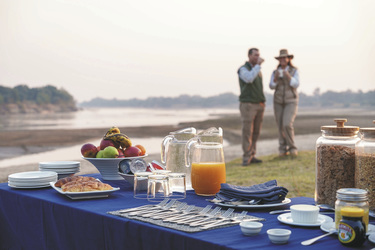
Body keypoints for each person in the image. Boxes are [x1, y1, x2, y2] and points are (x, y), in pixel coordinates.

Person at [237, 48, 266, 166]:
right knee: (247, 131)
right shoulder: (243, 69)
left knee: (256, 132)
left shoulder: (257, 69)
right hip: (248, 104)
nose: (257, 57)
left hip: (259, 104)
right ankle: (246, 157)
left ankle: (252, 154)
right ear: (249, 56)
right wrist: (258, 65)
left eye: (258, 55)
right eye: (255, 55)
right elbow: (249, 79)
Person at [269, 49, 300, 157]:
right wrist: (276, 78)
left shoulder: (294, 71)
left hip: (291, 101)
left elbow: (296, 84)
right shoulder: (275, 72)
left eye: (284, 58)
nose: (282, 60)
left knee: (287, 124)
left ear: (288, 59)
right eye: (281, 58)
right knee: (280, 126)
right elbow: (271, 86)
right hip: (278, 101)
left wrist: (288, 76)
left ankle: (292, 148)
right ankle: (282, 149)